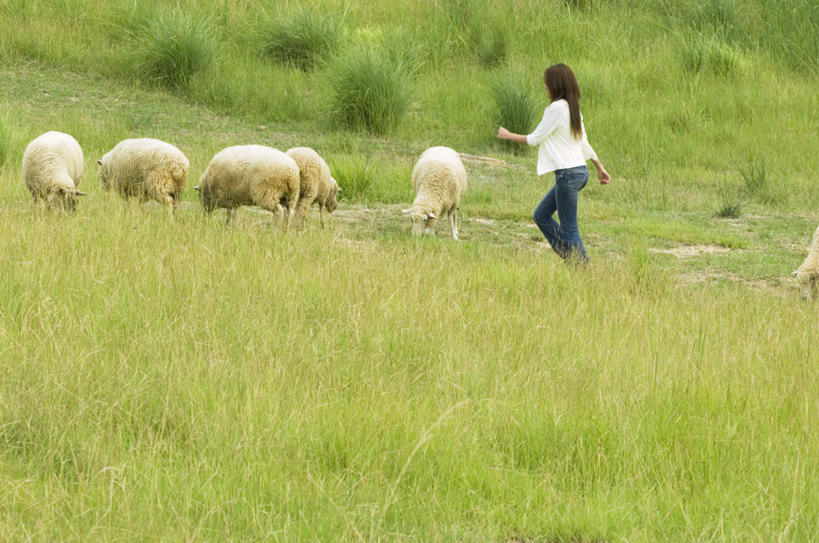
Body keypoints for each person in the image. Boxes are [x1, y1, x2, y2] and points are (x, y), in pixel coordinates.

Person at [497, 63, 610, 263]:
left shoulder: (557, 108)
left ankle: (581, 266)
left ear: (555, 85)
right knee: (541, 215)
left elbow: (534, 139)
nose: (545, 87)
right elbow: (583, 141)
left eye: (547, 83)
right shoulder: (573, 108)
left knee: (569, 228)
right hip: (579, 172)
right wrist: (599, 167)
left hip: (567, 174)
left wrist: (507, 135)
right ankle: (571, 258)